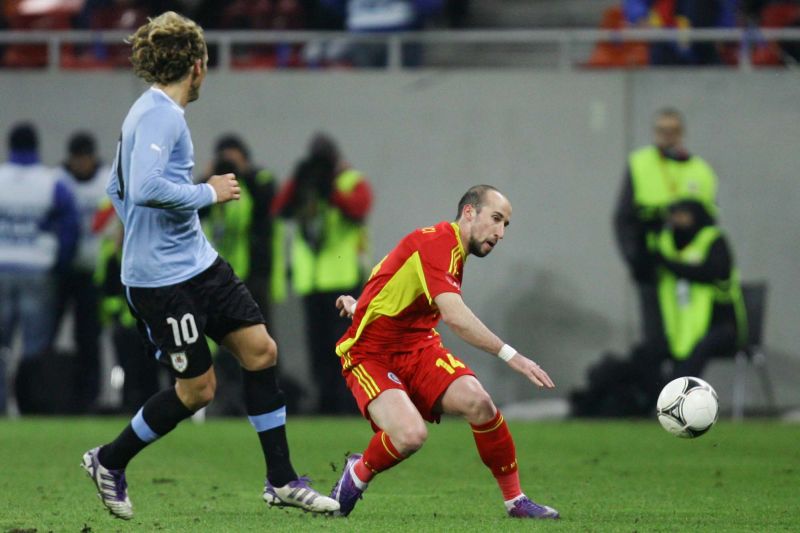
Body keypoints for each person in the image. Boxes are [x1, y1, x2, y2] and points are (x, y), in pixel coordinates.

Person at [80, 11, 338, 520]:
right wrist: (208, 191)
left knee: (261, 351)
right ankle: (108, 461)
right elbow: (147, 187)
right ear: (198, 65)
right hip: (161, 281)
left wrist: (157, 226)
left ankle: (282, 481)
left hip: (198, 263)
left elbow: (118, 187)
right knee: (198, 390)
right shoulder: (159, 116)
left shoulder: (151, 112)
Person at [328, 185, 560, 519]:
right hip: (371, 354)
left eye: (506, 225)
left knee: (479, 403)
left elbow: (389, 275)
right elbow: (455, 317)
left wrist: (360, 305)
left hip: (418, 345)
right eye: (495, 219)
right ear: (469, 212)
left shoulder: (448, 249)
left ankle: (516, 501)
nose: (500, 232)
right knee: (410, 435)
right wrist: (513, 356)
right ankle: (357, 473)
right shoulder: (439, 243)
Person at [272, 133, 372, 414]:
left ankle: (350, 401)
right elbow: (279, 209)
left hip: (343, 280)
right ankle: (326, 402)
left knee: (346, 345)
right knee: (317, 348)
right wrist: (299, 178)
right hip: (312, 283)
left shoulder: (351, 181)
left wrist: (331, 189)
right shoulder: (305, 183)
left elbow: (359, 209)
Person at [613, 107, 718, 350]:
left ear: (682, 133)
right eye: (662, 130)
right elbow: (623, 218)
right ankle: (660, 388)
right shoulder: (640, 164)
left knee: (693, 340)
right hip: (654, 268)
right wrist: (636, 260)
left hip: (691, 271)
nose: (668, 136)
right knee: (656, 339)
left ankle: (685, 386)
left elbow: (711, 221)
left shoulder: (701, 171)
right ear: (654, 132)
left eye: (673, 130)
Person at [0, 122, 79, 415]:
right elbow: (70, 230)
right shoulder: (53, 182)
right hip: (37, 270)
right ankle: (30, 406)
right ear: (36, 147)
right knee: (34, 349)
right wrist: (60, 265)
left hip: (1, 269)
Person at [201, 134, 283, 416]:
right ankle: (229, 401)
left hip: (255, 276)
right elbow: (195, 209)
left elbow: (269, 202)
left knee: (261, 343)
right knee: (226, 344)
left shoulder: (259, 180)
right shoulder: (211, 187)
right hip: (219, 276)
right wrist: (209, 179)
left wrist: (241, 175)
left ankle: (265, 399)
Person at [653, 197, 747, 381]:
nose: (677, 220)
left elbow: (712, 271)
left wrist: (669, 265)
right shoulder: (668, 243)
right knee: (652, 351)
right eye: (674, 215)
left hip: (723, 325)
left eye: (682, 215)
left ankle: (674, 398)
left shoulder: (713, 240)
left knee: (701, 348)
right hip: (684, 329)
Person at [53, 131, 110, 411]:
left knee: (89, 337)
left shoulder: (107, 182)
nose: (80, 164)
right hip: (63, 270)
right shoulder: (58, 181)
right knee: (51, 334)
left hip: (94, 273)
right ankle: (52, 393)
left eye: (84, 158)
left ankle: (89, 397)